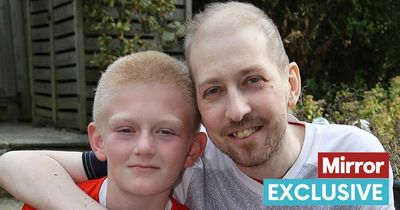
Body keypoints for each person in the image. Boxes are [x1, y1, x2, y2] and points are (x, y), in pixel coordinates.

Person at [0, 2, 394, 209]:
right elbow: (16, 164)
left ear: (291, 84)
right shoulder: (193, 162)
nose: (237, 110)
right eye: (213, 91)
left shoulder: (349, 156)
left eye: (252, 80)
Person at [19, 51, 207, 210]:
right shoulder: (46, 203)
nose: (144, 147)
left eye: (166, 132)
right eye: (126, 130)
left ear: (192, 150)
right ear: (98, 141)